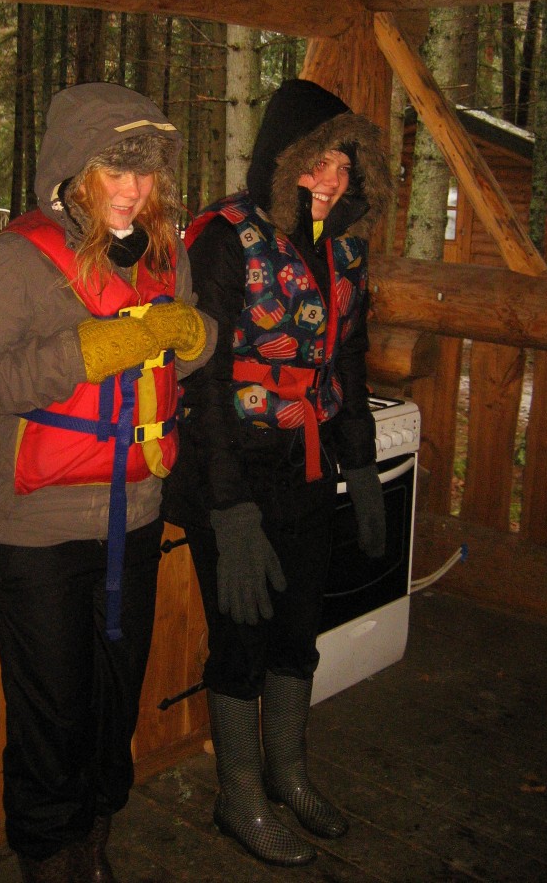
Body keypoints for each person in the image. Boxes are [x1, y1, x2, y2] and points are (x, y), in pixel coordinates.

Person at [0, 83, 215, 883]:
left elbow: (189, 353)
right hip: (38, 532)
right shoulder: (12, 260)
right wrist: (83, 354)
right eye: (114, 172)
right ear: (73, 170)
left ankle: (94, 844)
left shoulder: (165, 254)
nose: (132, 190)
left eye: (145, 173)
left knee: (113, 702)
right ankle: (48, 858)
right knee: (50, 715)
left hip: (137, 516)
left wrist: (196, 334)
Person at [162, 77, 394, 867]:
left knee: (298, 627)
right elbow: (203, 384)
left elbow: (349, 358)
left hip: (308, 465)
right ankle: (238, 795)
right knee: (241, 635)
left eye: (345, 165)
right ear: (282, 159)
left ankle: (287, 773)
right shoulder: (222, 238)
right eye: (317, 162)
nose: (330, 180)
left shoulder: (345, 246)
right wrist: (229, 509)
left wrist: (361, 465)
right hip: (231, 470)